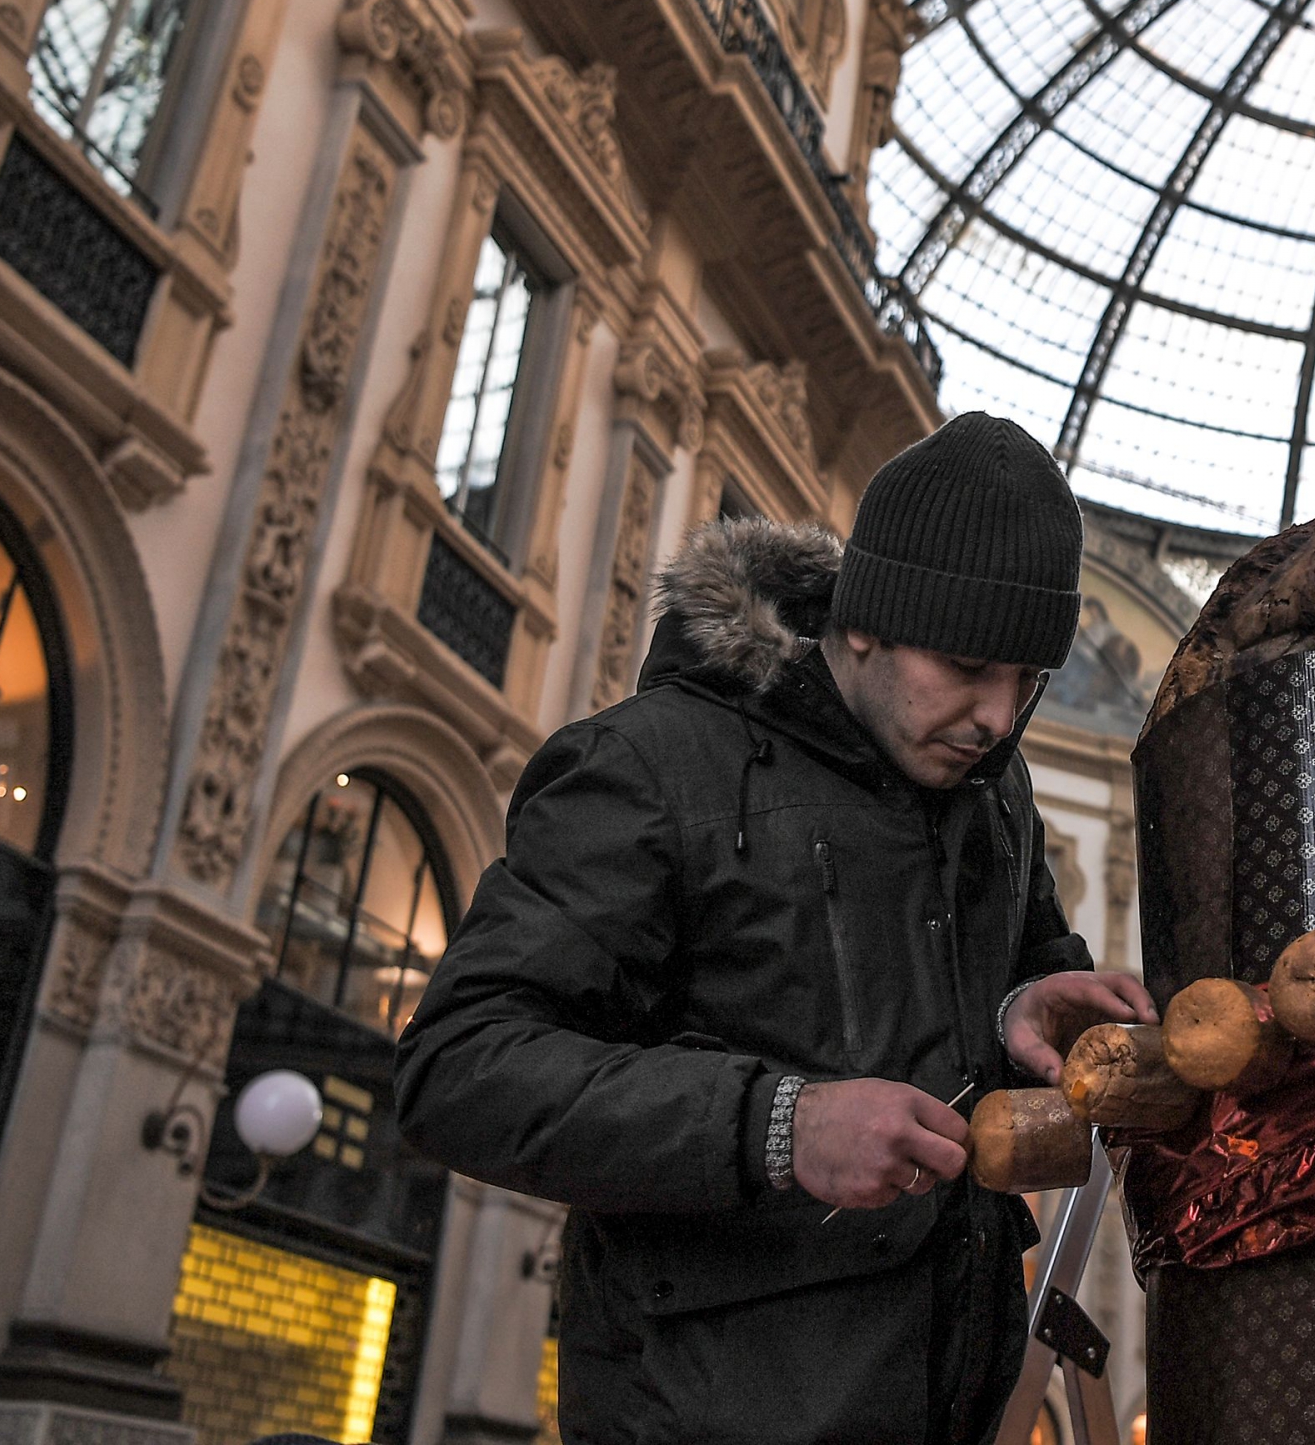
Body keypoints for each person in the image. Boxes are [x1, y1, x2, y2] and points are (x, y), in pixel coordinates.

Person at [396, 413, 1153, 1445]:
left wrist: (1033, 999)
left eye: (1028, 679)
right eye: (969, 664)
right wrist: (780, 1126)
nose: (996, 715)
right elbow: (458, 1065)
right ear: (865, 622)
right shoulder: (654, 765)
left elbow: (1002, 972)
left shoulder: (994, 789)